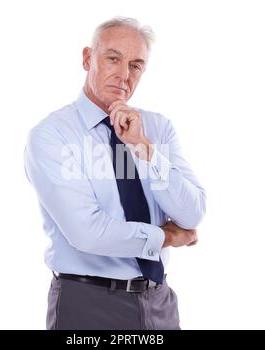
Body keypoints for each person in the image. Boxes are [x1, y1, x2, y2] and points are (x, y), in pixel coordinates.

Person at [24, 17, 206, 330]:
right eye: (113, 58)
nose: (124, 75)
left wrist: (143, 148)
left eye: (136, 65)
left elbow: (193, 212)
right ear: (87, 58)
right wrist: (167, 237)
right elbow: (88, 232)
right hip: (87, 303)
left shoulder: (157, 128)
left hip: (159, 302)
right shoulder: (52, 135)